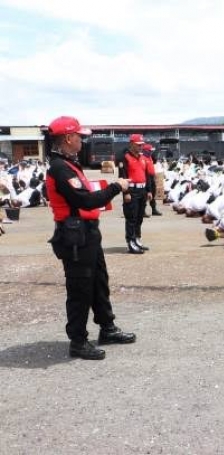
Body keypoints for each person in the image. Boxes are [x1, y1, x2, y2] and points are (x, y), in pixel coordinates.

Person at [45, 116, 136, 360]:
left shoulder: (69, 164)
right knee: (80, 288)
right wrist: (116, 187)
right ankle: (78, 341)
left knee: (98, 282)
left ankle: (107, 328)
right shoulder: (60, 168)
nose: (82, 140)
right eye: (79, 136)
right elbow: (84, 200)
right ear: (67, 138)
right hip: (75, 236)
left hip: (87, 233)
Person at [118, 134, 152, 254]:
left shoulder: (142, 158)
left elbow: (146, 175)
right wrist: (125, 193)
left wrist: (148, 190)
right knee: (131, 218)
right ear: (132, 144)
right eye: (138, 145)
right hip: (131, 191)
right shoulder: (125, 158)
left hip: (142, 191)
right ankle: (131, 242)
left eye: (142, 144)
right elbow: (122, 177)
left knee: (139, 217)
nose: (141, 147)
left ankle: (137, 238)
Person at [143, 143, 162, 216]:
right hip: (146, 178)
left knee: (153, 194)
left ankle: (154, 209)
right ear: (146, 151)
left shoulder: (150, 157)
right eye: (150, 151)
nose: (151, 152)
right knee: (145, 195)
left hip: (152, 177)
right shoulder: (143, 158)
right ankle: (143, 211)